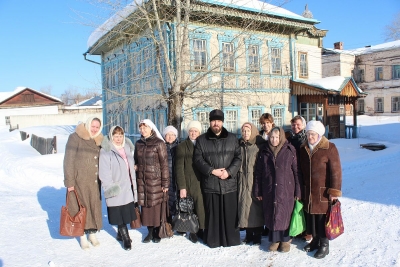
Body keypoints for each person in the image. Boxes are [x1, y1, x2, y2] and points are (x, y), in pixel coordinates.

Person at [194, 109, 242, 248]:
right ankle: (214, 240)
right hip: (211, 183)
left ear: (222, 122)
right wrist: (212, 171)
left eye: (219, 121)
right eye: (214, 121)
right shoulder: (202, 140)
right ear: (210, 122)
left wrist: (229, 172)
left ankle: (231, 240)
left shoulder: (232, 138)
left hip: (229, 183)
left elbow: (238, 158)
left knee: (229, 214)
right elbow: (198, 159)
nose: (216, 123)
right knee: (213, 215)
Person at [254, 127, 301, 253]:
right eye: (272, 137)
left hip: (286, 188)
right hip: (269, 187)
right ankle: (275, 240)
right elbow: (258, 173)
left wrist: (298, 190)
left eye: (277, 137)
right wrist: (258, 190)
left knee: (285, 213)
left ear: (281, 138)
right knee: (272, 212)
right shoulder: (264, 151)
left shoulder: (289, 150)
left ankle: (285, 240)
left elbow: (296, 171)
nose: (274, 140)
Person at [299, 120, 342, 259]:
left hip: (323, 192)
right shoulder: (304, 148)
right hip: (309, 190)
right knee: (311, 217)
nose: (310, 137)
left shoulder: (329, 148)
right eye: (308, 134)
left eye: (313, 134)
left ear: (319, 134)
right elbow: (300, 171)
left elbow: (336, 171)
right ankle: (315, 240)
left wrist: (334, 192)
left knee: (322, 218)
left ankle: (324, 244)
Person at [63, 117, 104, 250]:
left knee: (93, 207)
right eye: (93, 126)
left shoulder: (99, 140)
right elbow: (68, 160)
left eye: (97, 127)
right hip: (79, 181)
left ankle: (92, 234)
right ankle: (81, 235)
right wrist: (69, 181)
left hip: (94, 181)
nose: (95, 129)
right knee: (80, 208)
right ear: (87, 125)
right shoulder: (75, 138)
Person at [99, 126, 138, 251]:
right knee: (118, 213)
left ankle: (120, 234)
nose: (118, 138)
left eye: (120, 136)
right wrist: (110, 187)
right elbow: (104, 172)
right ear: (111, 136)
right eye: (116, 136)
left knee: (125, 212)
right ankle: (126, 238)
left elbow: (129, 165)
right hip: (115, 186)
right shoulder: (106, 150)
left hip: (127, 186)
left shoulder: (127, 148)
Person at [134, 119, 169, 243]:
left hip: (156, 181)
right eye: (141, 128)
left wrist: (165, 183)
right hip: (143, 181)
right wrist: (136, 166)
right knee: (146, 207)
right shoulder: (138, 143)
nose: (142, 130)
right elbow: (135, 160)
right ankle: (149, 231)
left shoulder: (159, 143)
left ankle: (157, 232)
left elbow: (164, 164)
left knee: (156, 207)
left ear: (151, 128)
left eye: (145, 128)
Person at [175, 121, 206, 243]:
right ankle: (192, 231)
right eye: (191, 131)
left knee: (201, 207)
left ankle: (202, 229)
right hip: (188, 182)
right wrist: (182, 187)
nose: (193, 133)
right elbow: (179, 168)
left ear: (199, 132)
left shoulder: (203, 145)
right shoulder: (182, 146)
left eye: (196, 131)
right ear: (188, 132)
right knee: (190, 208)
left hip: (202, 182)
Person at [238, 122, 264, 245]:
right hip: (242, 181)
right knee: (245, 208)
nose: (245, 133)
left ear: (252, 131)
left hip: (254, 181)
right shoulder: (239, 146)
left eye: (248, 131)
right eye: (243, 131)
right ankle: (248, 234)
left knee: (256, 208)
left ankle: (258, 234)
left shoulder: (258, 146)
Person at [286, 115, 311, 241]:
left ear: (304, 125)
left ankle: (307, 231)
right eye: (293, 125)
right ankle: (297, 228)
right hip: (293, 174)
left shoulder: (307, 139)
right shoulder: (290, 139)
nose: (295, 127)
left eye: (298, 125)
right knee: (295, 202)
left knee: (306, 202)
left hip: (306, 174)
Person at [163, 125, 179, 220]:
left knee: (177, 201)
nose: (170, 137)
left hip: (176, 177)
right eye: (168, 134)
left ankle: (179, 222)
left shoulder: (179, 147)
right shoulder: (161, 146)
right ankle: (167, 221)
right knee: (167, 201)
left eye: (172, 134)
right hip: (166, 178)